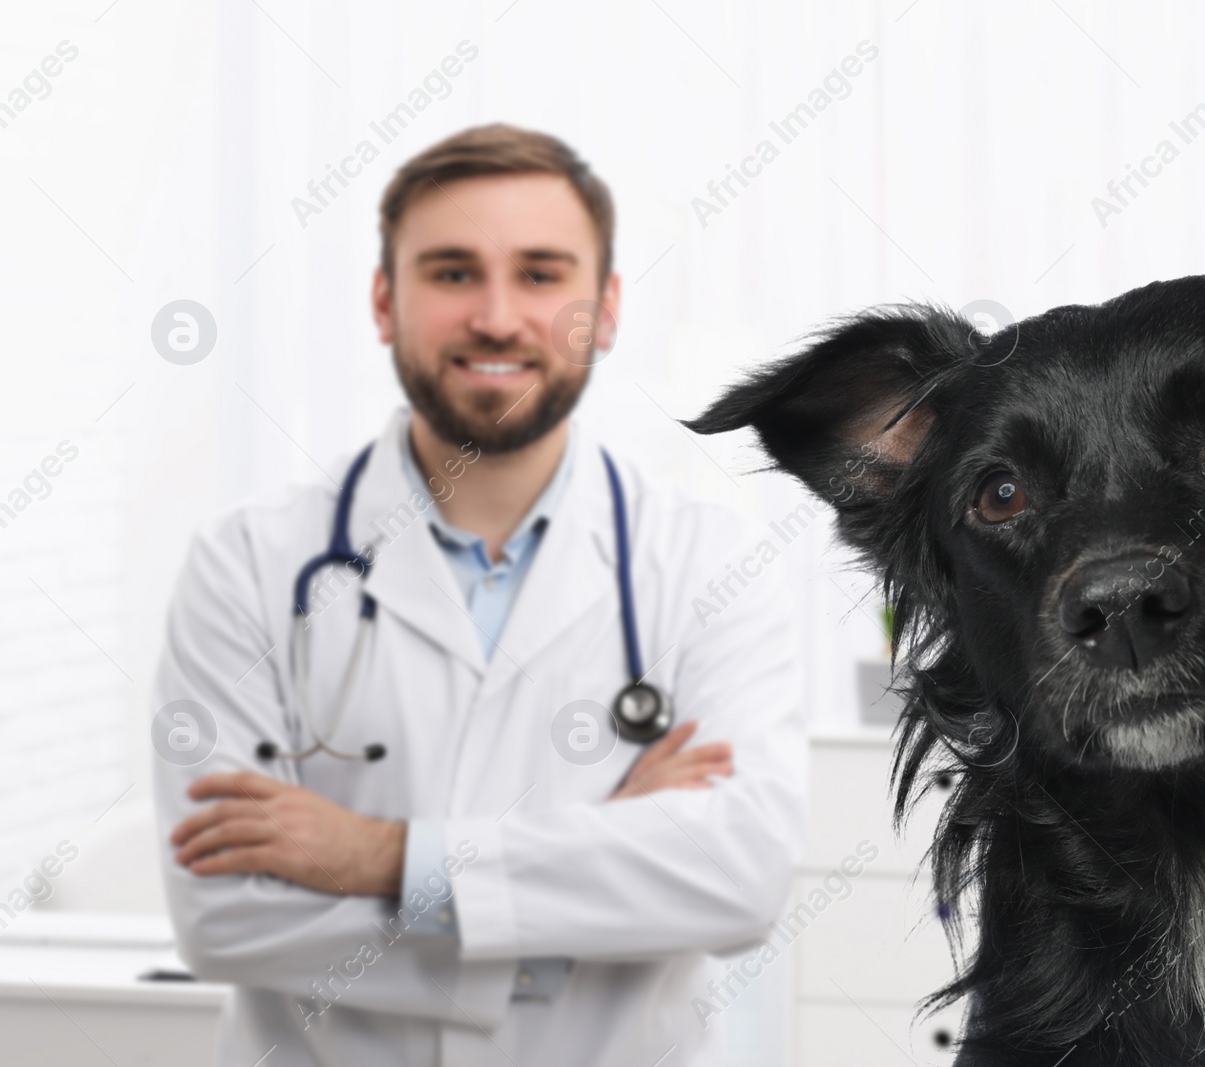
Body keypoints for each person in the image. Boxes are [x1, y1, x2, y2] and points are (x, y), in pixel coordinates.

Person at [151, 124, 806, 1067]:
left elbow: (739, 878)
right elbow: (223, 916)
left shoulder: (710, 564)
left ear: (606, 310)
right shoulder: (247, 563)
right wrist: (594, 879)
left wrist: (380, 856)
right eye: (452, 272)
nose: (497, 316)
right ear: (385, 301)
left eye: (542, 275)